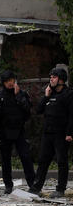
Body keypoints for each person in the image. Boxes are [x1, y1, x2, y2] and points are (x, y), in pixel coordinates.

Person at [29, 67, 73, 197]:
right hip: (48, 133)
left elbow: (72, 115)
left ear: (61, 79)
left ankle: (60, 189)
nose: (51, 79)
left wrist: (70, 133)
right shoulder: (50, 93)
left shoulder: (68, 94)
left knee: (61, 161)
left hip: (61, 133)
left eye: (53, 77)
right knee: (43, 160)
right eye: (51, 77)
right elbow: (38, 110)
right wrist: (46, 96)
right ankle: (36, 187)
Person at [0, 70, 35, 194]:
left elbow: (28, 112)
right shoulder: (0, 97)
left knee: (25, 156)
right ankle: (8, 185)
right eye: (7, 81)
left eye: (12, 80)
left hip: (19, 130)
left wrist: (18, 96)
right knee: (5, 159)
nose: (10, 83)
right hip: (5, 131)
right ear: (3, 82)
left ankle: (32, 183)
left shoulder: (22, 94)